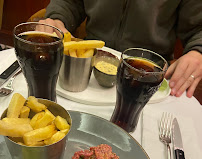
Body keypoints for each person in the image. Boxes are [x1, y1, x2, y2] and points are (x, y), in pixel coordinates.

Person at [39, 0, 202, 98]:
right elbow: (69, 3)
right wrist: (56, 18)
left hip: (148, 79)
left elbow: (198, 29)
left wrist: (198, 52)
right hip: (87, 71)